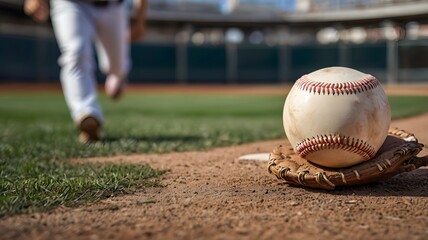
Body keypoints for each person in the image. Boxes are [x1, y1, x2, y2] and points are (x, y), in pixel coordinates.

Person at [24, 0, 147, 143]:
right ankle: (86, 113)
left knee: (117, 68)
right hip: (71, 3)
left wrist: (140, 19)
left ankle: (117, 75)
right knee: (76, 53)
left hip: (113, 7)